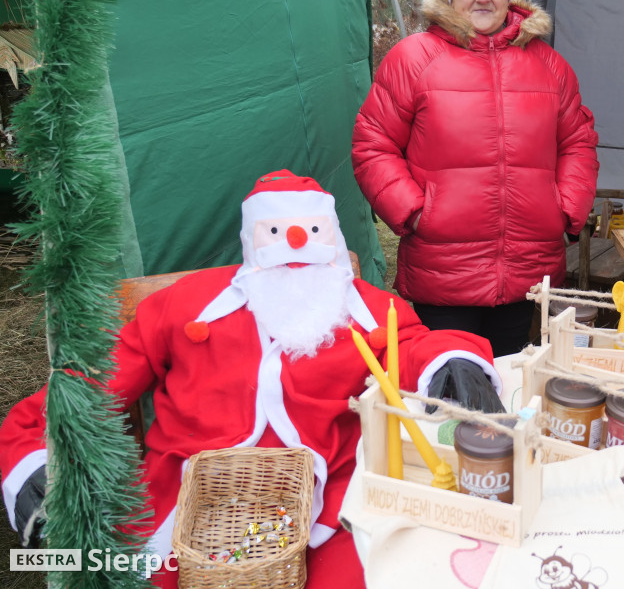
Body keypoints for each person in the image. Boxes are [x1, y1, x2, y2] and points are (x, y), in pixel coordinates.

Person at [0, 170, 502, 588]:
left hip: (332, 504)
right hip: (185, 500)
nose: (298, 244)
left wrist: (454, 359)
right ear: (251, 239)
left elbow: (415, 345)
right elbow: (90, 383)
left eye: (311, 231)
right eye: (278, 234)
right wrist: (31, 458)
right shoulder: (185, 304)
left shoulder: (369, 310)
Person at [352, 0, 599, 356]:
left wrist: (565, 211)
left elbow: (578, 141)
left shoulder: (548, 64)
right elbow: (373, 143)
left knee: (507, 380)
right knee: (449, 385)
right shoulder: (413, 58)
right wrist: (414, 213)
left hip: (527, 265)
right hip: (443, 268)